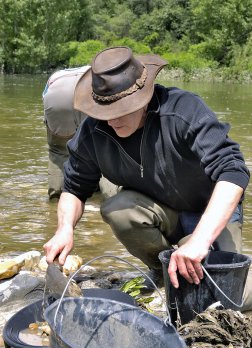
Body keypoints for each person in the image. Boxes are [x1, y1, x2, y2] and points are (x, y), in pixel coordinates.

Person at [44, 46, 250, 305]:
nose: (111, 120)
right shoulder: (93, 131)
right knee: (118, 208)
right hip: (163, 213)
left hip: (210, 213)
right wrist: (64, 230)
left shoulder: (183, 110)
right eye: (104, 112)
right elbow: (74, 189)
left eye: (121, 110)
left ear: (144, 97)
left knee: (227, 298)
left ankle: (194, 264)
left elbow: (233, 170)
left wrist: (199, 240)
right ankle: (165, 271)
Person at [43, 67, 89, 199]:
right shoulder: (93, 71)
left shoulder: (57, 75)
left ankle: (56, 197)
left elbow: (45, 101)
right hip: (87, 89)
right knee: (101, 147)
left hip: (55, 96)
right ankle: (108, 197)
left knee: (57, 150)